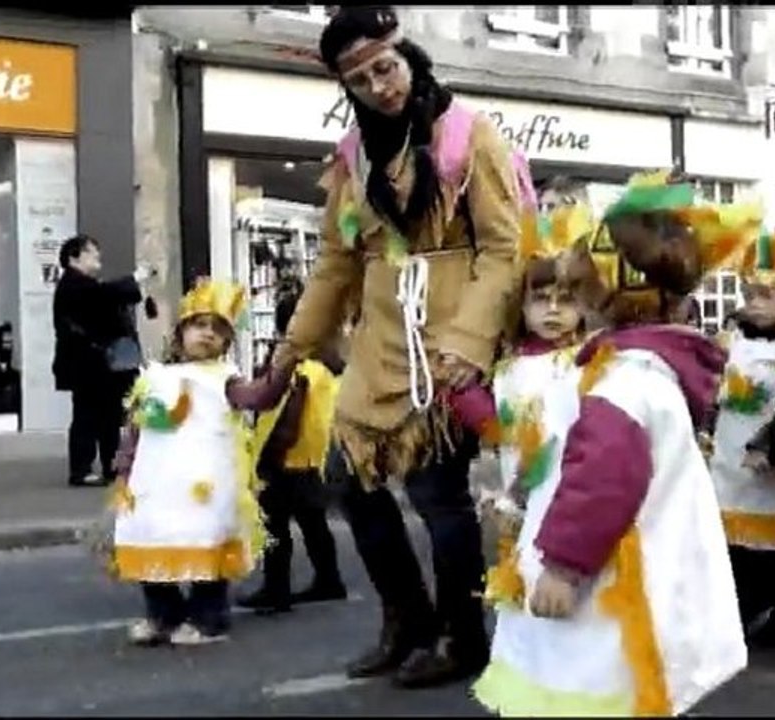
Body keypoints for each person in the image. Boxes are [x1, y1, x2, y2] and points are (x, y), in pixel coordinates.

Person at [272, 6, 535, 688]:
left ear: (408, 57)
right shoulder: (354, 156)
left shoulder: (470, 135)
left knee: (436, 490)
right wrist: (291, 347)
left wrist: (468, 344)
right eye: (359, 80)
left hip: (450, 335)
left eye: (385, 68)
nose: (379, 86)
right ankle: (406, 620)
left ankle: (461, 634)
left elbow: (505, 250)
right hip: (382, 337)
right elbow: (336, 262)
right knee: (346, 481)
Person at [471, 169, 760, 716]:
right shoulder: (643, 368)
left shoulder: (624, 382)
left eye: (581, 292)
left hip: (605, 576)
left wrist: (563, 564)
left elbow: (601, 478)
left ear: (609, 296)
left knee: (592, 685)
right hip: (637, 558)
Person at [110, 278, 297, 646]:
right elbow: (137, 426)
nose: (207, 335)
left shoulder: (226, 379)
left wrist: (284, 364)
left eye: (217, 329)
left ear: (227, 342)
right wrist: (124, 468)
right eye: (199, 326)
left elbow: (259, 397)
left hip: (205, 487)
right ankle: (163, 614)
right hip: (154, 486)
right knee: (150, 541)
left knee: (206, 547)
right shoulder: (155, 377)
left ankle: (208, 618)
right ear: (180, 335)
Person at [446, 201, 595, 614]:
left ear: (584, 305)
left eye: (565, 299)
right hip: (523, 499)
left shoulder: (590, 360)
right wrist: (460, 393)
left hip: (574, 502)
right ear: (522, 304)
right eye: (541, 298)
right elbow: (498, 426)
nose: (552, 309)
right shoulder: (509, 366)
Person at [709, 227, 775, 649]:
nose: (754, 303)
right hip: (730, 462)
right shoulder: (729, 339)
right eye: (750, 293)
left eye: (767, 295)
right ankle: (741, 610)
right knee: (737, 547)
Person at [236, 287, 348, 615]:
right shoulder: (330, 361)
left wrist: (267, 456)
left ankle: (276, 589)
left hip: (289, 457)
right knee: (314, 523)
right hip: (317, 455)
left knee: (274, 524)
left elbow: (287, 416)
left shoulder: (295, 365)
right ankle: (329, 579)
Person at [52, 235, 151, 487]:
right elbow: (103, 296)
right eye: (91, 252)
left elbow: (107, 299)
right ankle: (82, 469)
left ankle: (111, 464)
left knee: (108, 415)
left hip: (100, 365)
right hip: (88, 364)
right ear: (74, 257)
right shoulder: (74, 285)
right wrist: (135, 279)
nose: (97, 256)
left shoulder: (84, 285)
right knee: (88, 416)